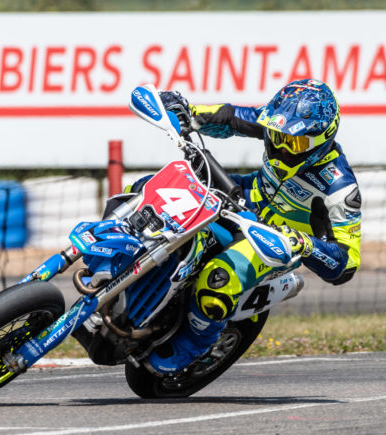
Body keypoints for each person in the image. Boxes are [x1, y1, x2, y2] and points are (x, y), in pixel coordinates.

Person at [145, 78, 362, 374]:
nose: (282, 146)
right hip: (244, 197)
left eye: (295, 143)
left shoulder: (340, 187)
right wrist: (185, 111)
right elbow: (231, 116)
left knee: (217, 279)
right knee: (151, 187)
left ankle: (195, 346)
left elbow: (347, 262)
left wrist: (304, 244)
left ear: (322, 139)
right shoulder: (280, 125)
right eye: (277, 135)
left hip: (276, 242)